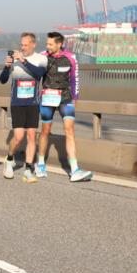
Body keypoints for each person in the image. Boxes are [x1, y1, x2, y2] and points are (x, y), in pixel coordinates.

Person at [37, 32, 93, 182]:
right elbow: (34, 73)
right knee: (45, 131)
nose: (47, 46)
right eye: (47, 43)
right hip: (47, 98)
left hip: (65, 98)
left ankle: (74, 170)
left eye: (50, 44)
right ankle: (40, 164)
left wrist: (75, 98)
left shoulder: (71, 57)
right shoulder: (42, 56)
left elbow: (75, 79)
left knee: (70, 131)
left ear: (59, 44)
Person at [0, 33, 48, 183]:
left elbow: (39, 74)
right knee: (19, 137)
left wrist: (23, 60)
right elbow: (2, 80)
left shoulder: (41, 59)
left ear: (33, 44)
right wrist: (7, 67)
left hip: (33, 103)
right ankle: (9, 159)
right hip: (17, 103)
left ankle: (27, 170)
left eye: (26, 45)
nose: (23, 47)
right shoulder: (14, 60)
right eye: (21, 45)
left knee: (32, 136)